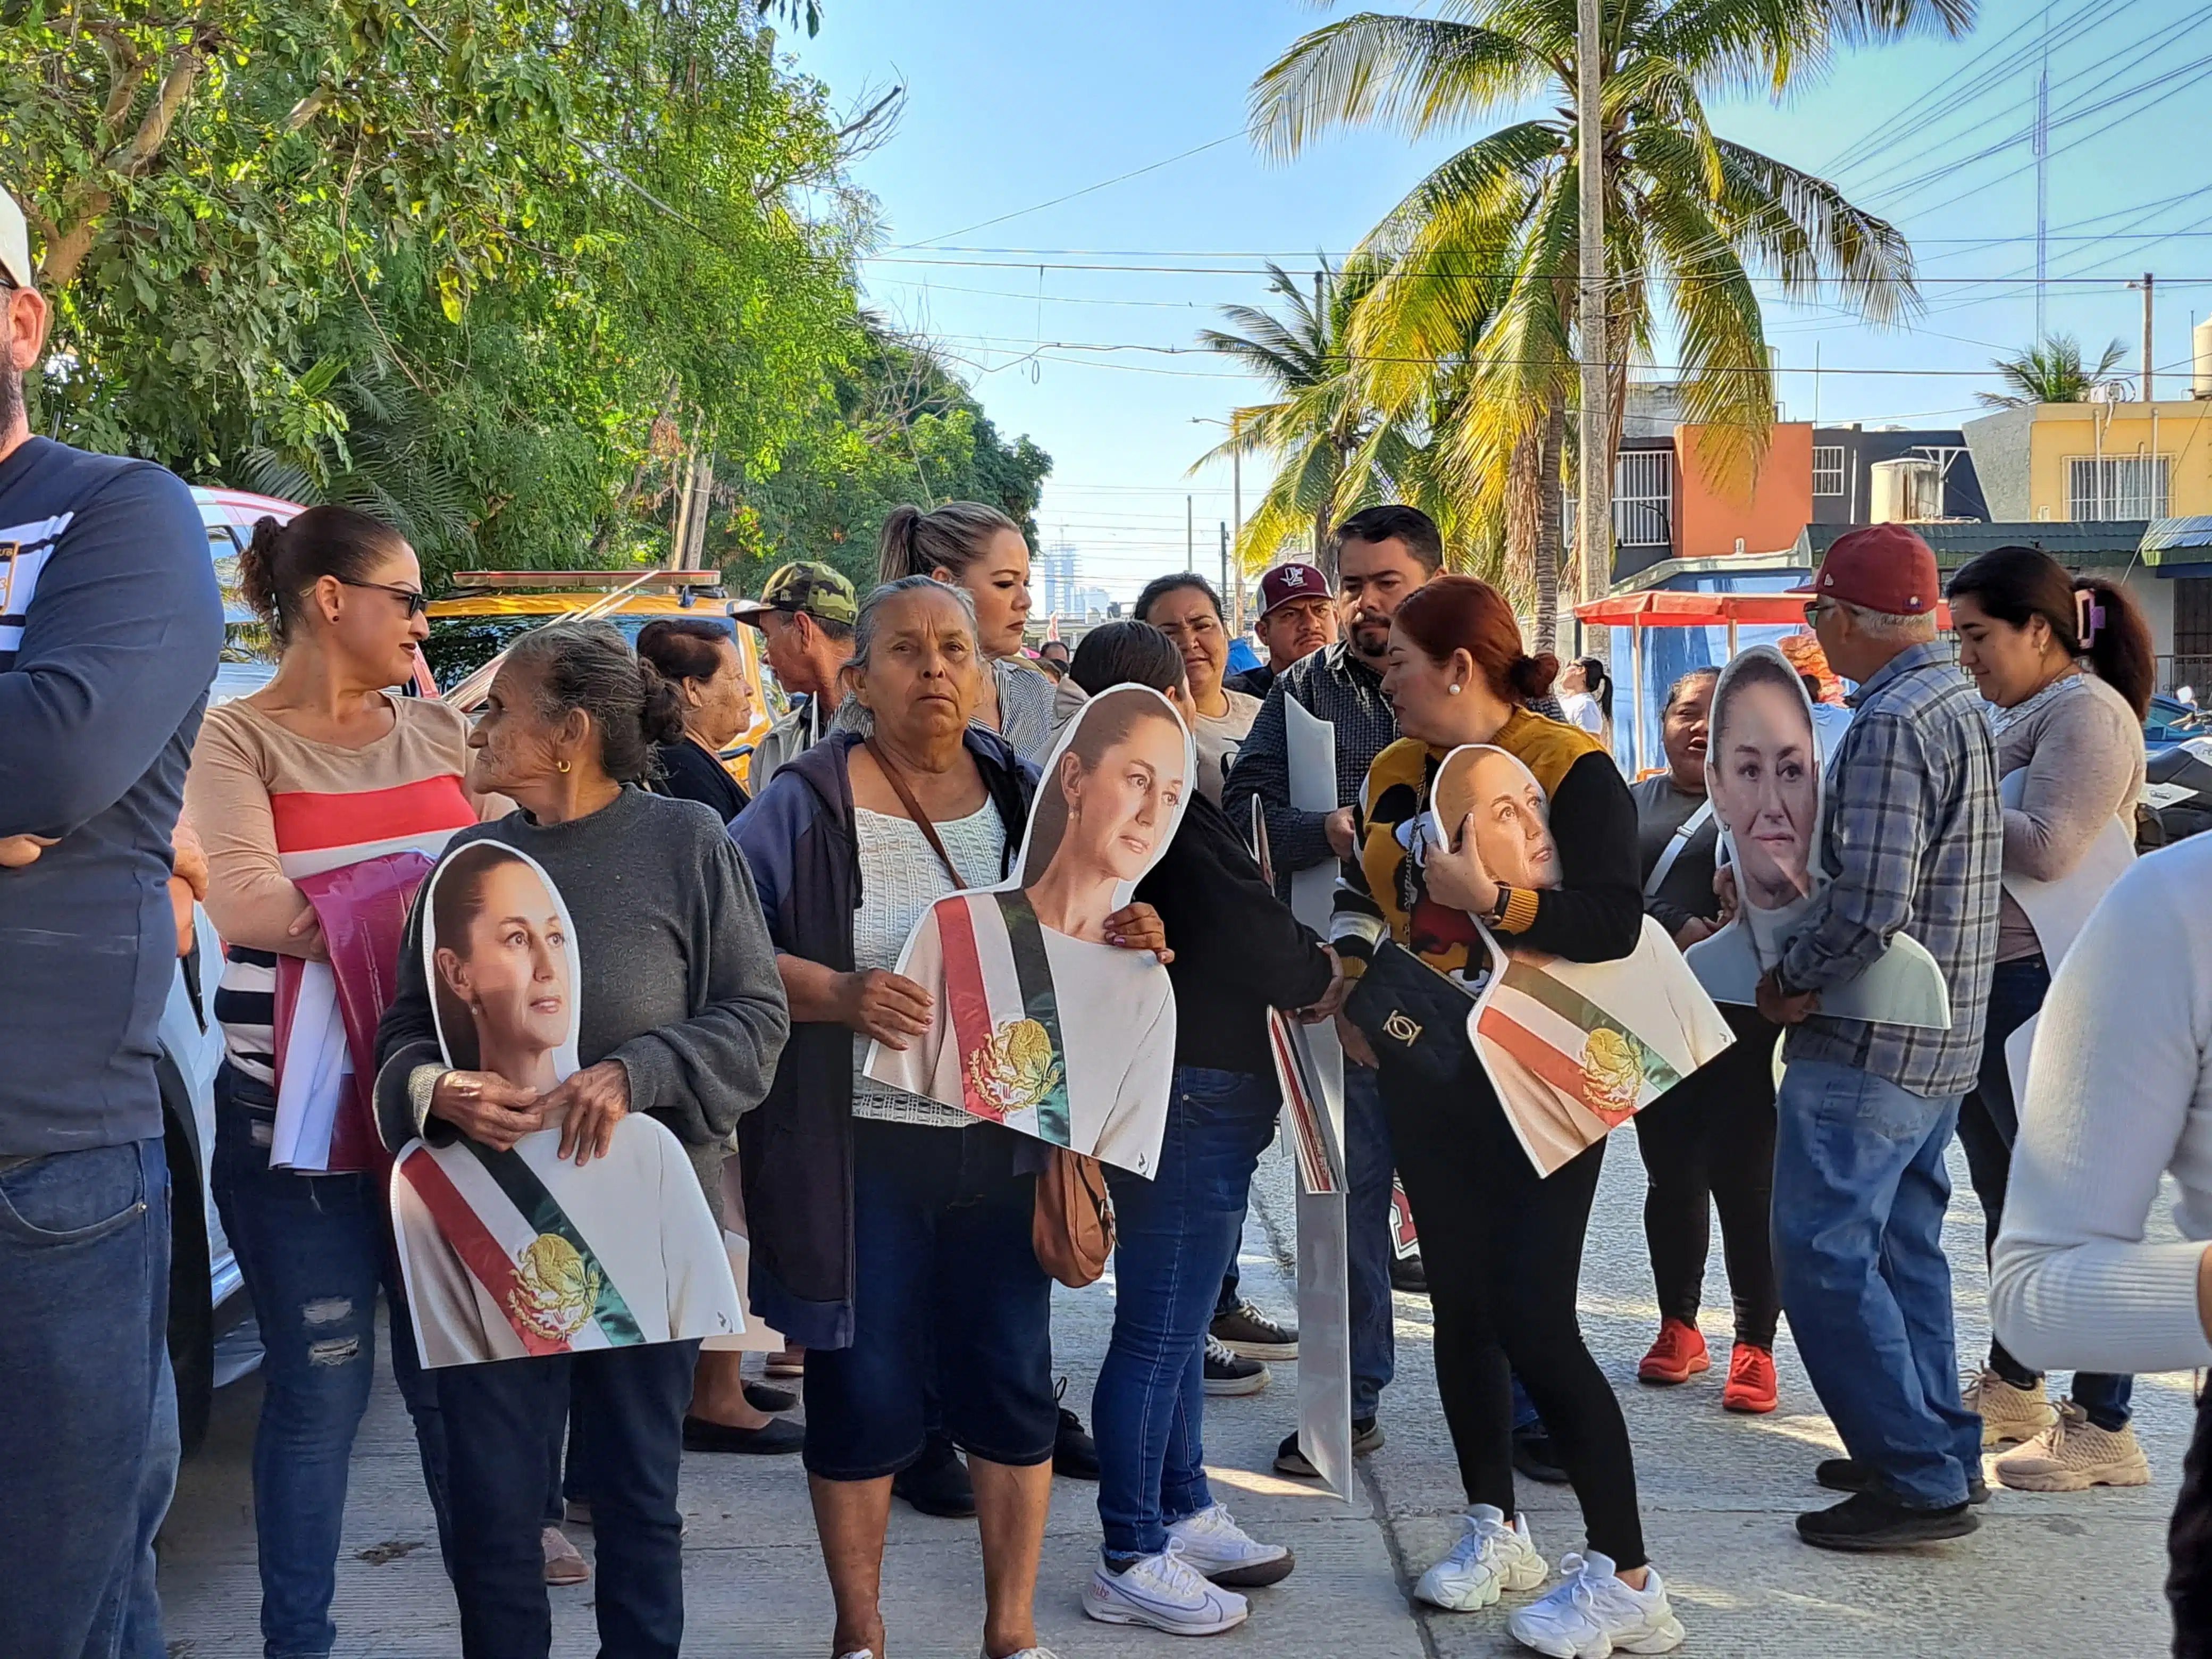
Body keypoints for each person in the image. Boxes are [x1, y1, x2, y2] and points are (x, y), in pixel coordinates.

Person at [732, 577, 1169, 1659]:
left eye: (954, 650)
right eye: (907, 651)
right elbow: (728, 952)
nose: (935, 670)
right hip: (858, 1154)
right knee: (862, 1394)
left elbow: (1082, 915)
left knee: (1011, 1388)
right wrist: (835, 993)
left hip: (1000, 1145)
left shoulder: (1026, 796)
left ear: (982, 671)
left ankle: (1010, 1634)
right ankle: (861, 1635)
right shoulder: (803, 803)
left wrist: (1130, 929)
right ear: (860, 675)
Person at [373, 622, 790, 1659]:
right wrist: (440, 1091)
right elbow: (399, 1041)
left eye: (501, 707)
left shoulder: (687, 841)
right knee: (495, 1511)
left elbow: (755, 1018)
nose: (478, 724)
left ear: (568, 732)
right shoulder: (465, 869)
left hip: (644, 1224)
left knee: (638, 1501)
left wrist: (634, 1073)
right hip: (489, 1233)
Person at [1333, 576, 1685, 1656]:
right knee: (1463, 1310)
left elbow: (1613, 922)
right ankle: (1497, 1526)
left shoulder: (1568, 766)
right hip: (1431, 1065)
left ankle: (1627, 1575)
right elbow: (1377, 896)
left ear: (1457, 667)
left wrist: (1497, 900)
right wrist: (1354, 966)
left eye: (1396, 659)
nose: (1382, 676)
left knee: (1536, 1316)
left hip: (1547, 1069)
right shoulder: (1394, 771)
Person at [185, 506, 486, 1654]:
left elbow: (507, 885)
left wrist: (370, 903)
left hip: (442, 1119)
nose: (420, 618)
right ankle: (294, 1643)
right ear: (330, 601)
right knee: (317, 1394)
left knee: (452, 1394)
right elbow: (246, 901)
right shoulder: (237, 739)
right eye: (406, 597)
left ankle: (493, 1629)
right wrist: (428, 904)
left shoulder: (440, 734)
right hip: (291, 1125)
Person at [0, 185, 225, 1659]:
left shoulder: (116, 512)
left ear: (20, 319)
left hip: (44, 1170)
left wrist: (34, 787)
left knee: (46, 1602)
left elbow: (60, 758)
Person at [1052, 622, 1335, 1636]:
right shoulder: (1151, 802)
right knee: (1160, 1329)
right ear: (1163, 701)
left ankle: (1179, 1507)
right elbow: (1249, 933)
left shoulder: (1123, 797)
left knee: (1171, 1332)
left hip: (1196, 1082)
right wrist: (1321, 972)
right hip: (1188, 1085)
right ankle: (1129, 1550)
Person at [1765, 523, 2001, 1550]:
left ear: (1843, 618)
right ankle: (1931, 1445)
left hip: (1869, 1038)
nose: (1815, 637)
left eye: (1818, 617)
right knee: (1903, 1249)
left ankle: (1915, 1476)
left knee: (1822, 1253)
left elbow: (1872, 904)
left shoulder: (1895, 721)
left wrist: (1791, 977)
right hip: (1940, 1040)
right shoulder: (1956, 698)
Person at [1225, 502, 1440, 1477]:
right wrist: (1331, 830)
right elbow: (1246, 809)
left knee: (1475, 1206)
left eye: (1385, 583)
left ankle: (1524, 1406)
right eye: (1351, 584)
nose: (1364, 603)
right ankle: (1349, 1402)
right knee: (1347, 1196)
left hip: (1463, 988)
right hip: (1340, 989)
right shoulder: (1303, 692)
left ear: (1431, 580)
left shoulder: (1482, 671)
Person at [1946, 544, 2154, 1492]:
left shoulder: (2086, 714)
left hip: (2054, 988)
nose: (1967, 657)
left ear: (2041, 630)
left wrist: (1941, 796)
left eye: (1979, 636)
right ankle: (2017, 1381)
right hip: (1994, 987)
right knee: (2011, 1203)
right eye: (1958, 637)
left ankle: (2106, 1422)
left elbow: (2052, 846)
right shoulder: (2012, 711)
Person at [1987, 837, 2212, 1655]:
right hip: (1993, 990)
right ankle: (2072, 1413)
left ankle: (2098, 1424)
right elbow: (2042, 1288)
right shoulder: (2180, 900)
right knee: (1991, 1191)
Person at [868, 683, 1187, 1169]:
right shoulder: (957, 929)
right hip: (919, 1197)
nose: (1150, 817)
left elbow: (1126, 1160)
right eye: (1138, 781)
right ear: (1075, 777)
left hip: (1049, 1224)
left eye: (1169, 796)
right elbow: (899, 1108)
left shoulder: (1144, 983)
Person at [1627, 668, 1783, 1413]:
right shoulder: (1633, 802)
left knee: (1748, 1187)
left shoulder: (1768, 800)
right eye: (1685, 711)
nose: (1697, 726)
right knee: (1672, 1179)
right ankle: (1678, 1328)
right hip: (1655, 1010)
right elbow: (1606, 888)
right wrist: (1674, 920)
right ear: (1663, 722)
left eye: (1713, 714)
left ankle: (1755, 1346)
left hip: (1746, 1020)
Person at [877, 501, 1055, 764]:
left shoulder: (1037, 693)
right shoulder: (881, 703)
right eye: (1005, 583)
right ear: (945, 584)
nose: (1025, 601)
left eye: (1025, 583)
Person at [730, 560, 858, 795]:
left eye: (767, 636)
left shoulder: (895, 729)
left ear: (803, 630)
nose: (765, 657)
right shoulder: (773, 748)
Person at [1136, 573, 1259, 806]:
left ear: (1225, 633)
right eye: (1169, 634)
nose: (1189, 641)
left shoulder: (1264, 713)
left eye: (1202, 626)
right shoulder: (1140, 731)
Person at [636, 617, 752, 824]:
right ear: (693, 690)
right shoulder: (682, 771)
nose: (749, 690)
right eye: (737, 677)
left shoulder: (683, 758)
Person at [1226, 562, 1337, 700]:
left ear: (1336, 619)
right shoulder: (1237, 699)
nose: (1311, 624)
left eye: (1320, 610)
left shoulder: (1362, 689)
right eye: (1290, 614)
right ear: (1263, 633)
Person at [1557, 656, 1611, 739]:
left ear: (1581, 670)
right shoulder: (1563, 700)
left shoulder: (1586, 706)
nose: (1565, 670)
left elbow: (1590, 746)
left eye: (1569, 665)